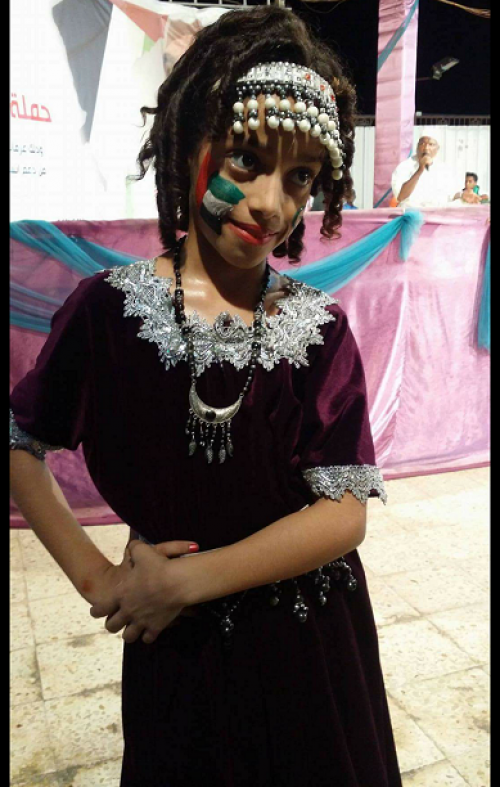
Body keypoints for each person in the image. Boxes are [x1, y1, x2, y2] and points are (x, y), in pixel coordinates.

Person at [10, 7, 402, 786]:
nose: (270, 204)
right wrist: (99, 579)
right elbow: (20, 442)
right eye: (246, 160)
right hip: (178, 654)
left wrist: (183, 580)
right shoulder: (107, 311)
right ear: (191, 141)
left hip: (310, 647)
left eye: (299, 178)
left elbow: (343, 513)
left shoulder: (318, 328)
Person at [391, 135, 457, 208]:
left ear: (437, 148)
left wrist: (462, 196)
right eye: (422, 144)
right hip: (411, 212)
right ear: (417, 147)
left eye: (431, 144)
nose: (426, 148)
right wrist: (420, 169)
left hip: (437, 212)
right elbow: (400, 197)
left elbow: (452, 195)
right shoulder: (404, 167)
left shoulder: (444, 169)